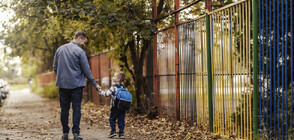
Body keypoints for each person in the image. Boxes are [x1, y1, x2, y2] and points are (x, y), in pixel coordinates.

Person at [53, 31, 100, 140]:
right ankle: (76, 134)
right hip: (76, 86)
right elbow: (86, 70)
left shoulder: (60, 49)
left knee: (64, 109)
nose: (84, 44)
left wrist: (62, 78)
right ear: (79, 38)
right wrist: (94, 84)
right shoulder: (80, 51)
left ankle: (65, 133)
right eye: (84, 41)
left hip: (63, 86)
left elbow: (55, 67)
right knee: (76, 109)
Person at [98, 71, 127, 139]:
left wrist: (100, 91)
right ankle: (121, 133)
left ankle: (113, 132)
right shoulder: (124, 88)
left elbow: (106, 94)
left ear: (118, 79)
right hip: (122, 107)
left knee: (112, 119)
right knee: (121, 120)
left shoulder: (113, 87)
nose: (113, 77)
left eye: (114, 76)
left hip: (115, 107)